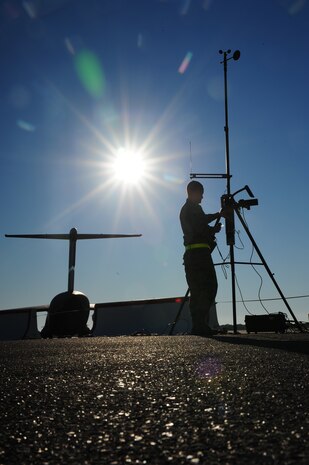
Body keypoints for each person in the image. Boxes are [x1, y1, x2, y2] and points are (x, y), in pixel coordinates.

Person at [180, 181, 223, 336]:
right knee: (209, 287)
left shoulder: (192, 210)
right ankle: (200, 326)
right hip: (198, 256)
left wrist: (212, 230)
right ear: (194, 192)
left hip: (196, 255)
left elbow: (200, 227)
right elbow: (200, 225)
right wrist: (218, 215)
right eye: (201, 193)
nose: (203, 196)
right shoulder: (191, 209)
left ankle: (200, 326)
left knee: (198, 290)